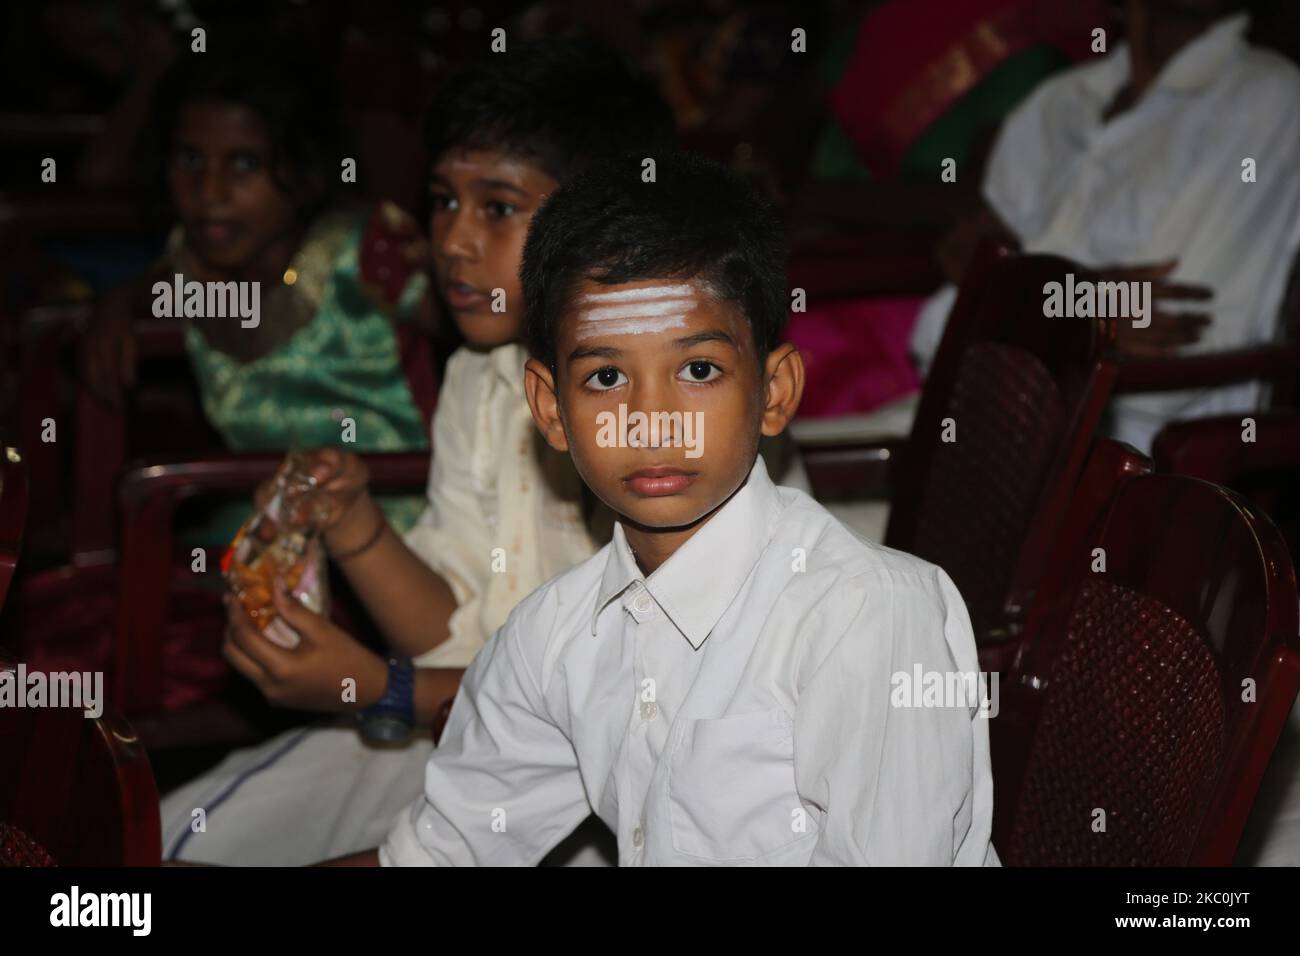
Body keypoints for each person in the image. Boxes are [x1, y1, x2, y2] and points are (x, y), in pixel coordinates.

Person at [162, 40, 800, 867]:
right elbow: (454, 626)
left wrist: (374, 689)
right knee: (169, 844)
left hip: (647, 794)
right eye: (442, 201)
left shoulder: (669, 422)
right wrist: (352, 522)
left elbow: (624, 702)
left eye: (497, 208)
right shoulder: (483, 374)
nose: (453, 242)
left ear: (599, 222)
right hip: (467, 736)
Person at [321, 152, 998, 867]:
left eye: (699, 370)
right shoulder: (558, 636)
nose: (651, 421)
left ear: (773, 392)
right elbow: (439, 855)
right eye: (607, 376)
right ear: (551, 410)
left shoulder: (864, 615)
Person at [910, 0, 1300, 453]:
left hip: (1122, 470)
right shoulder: (1059, 101)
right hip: (973, 429)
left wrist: (1012, 292)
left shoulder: (1268, 97)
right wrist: (1076, 303)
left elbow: (1176, 343)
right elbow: (943, 316)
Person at [80, 44, 434, 537]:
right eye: (188, 159)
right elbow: (155, 282)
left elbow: (478, 329)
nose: (210, 191)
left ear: (306, 170)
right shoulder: (188, 268)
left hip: (402, 530)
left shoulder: (369, 252)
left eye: (244, 164)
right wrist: (116, 304)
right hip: (269, 523)